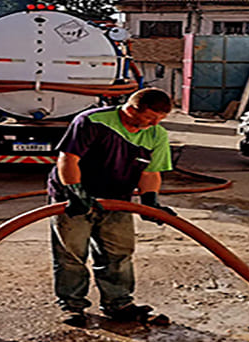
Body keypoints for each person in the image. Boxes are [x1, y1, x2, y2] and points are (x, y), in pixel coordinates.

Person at [46, 88, 177, 326]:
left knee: (118, 253)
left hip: (117, 198)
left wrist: (150, 201)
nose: (155, 123)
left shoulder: (156, 135)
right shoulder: (92, 121)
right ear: (131, 108)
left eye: (161, 119)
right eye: (150, 117)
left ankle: (119, 304)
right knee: (72, 253)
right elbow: (68, 159)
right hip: (75, 196)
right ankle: (72, 306)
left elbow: (150, 172)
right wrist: (76, 192)